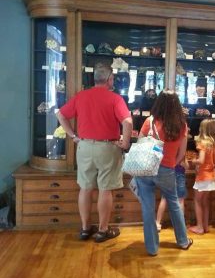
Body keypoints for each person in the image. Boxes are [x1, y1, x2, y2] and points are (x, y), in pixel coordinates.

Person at [56, 62, 133, 243]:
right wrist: (126, 143)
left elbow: (60, 115)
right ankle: (102, 231)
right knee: (105, 189)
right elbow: (128, 122)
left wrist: (73, 136)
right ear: (109, 79)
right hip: (107, 148)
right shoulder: (115, 98)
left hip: (84, 147)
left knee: (85, 187)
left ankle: (84, 229)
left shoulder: (81, 96)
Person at [136, 90, 193, 256]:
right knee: (174, 203)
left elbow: (140, 144)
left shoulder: (150, 121)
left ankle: (152, 248)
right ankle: (182, 241)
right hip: (167, 169)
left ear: (158, 102)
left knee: (147, 207)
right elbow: (182, 153)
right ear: (177, 105)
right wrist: (171, 164)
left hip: (146, 168)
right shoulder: (182, 126)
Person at [189, 119, 215, 234]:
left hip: (202, 176)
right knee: (205, 202)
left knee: (198, 201)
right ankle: (205, 226)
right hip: (211, 176)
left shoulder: (202, 143)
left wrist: (194, 161)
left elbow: (201, 160)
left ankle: (199, 227)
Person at [155, 156, 189, 232]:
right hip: (180, 175)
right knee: (180, 200)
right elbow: (186, 166)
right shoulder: (181, 152)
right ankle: (181, 225)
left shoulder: (168, 149)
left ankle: (157, 223)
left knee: (164, 199)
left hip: (167, 175)